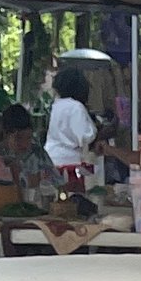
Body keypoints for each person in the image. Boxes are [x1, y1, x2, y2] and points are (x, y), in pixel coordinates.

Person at [44, 60, 99, 192]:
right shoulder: (76, 107)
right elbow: (85, 136)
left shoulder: (56, 105)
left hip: (51, 158)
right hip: (69, 163)